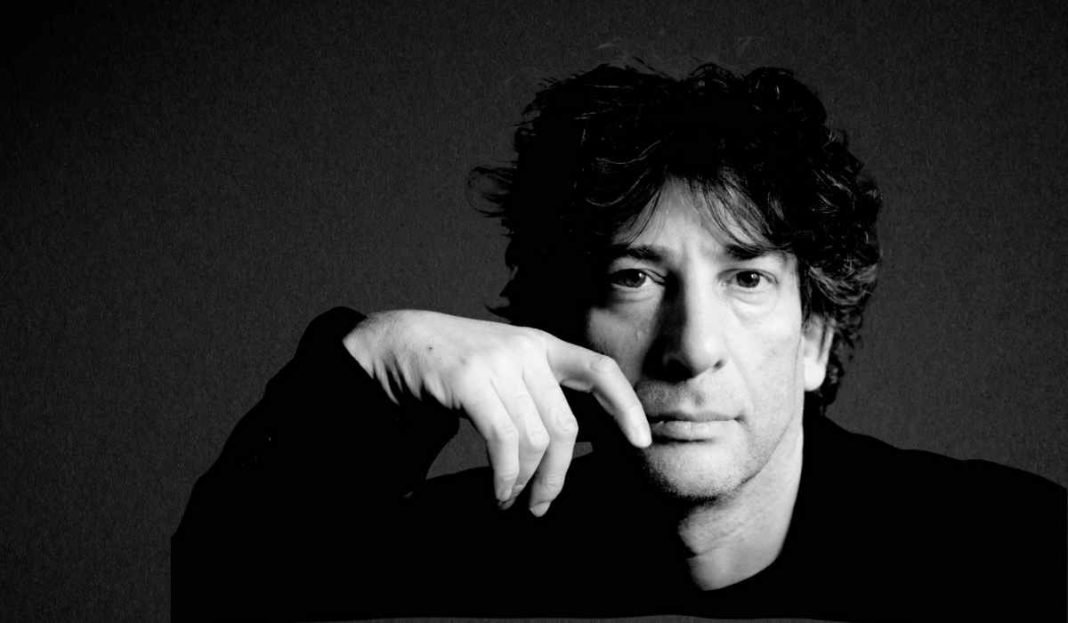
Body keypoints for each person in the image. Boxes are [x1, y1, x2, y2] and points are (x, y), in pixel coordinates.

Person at [172, 62, 1066, 622]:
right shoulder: (465, 566)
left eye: (747, 279)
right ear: (558, 329)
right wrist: (376, 360)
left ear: (814, 342)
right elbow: (226, 591)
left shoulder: (1014, 556)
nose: (690, 347)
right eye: (635, 277)